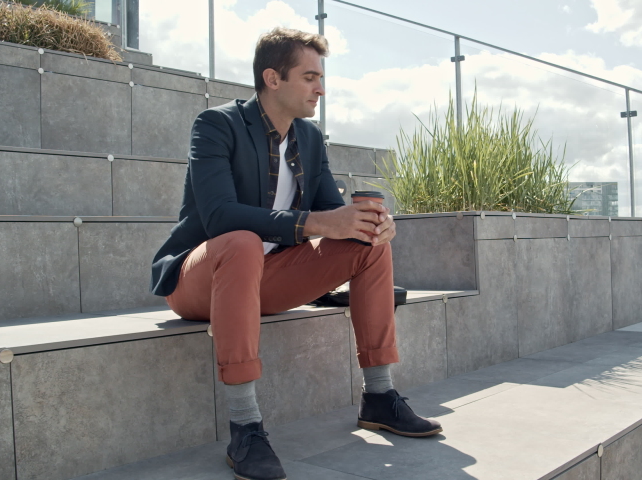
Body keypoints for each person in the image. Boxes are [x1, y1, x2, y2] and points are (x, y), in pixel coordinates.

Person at [150, 27, 441, 480]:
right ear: (272, 78)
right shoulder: (216, 125)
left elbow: (331, 212)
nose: (320, 88)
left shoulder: (310, 138)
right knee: (244, 241)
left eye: (320, 77)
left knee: (368, 245)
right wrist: (316, 224)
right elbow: (221, 217)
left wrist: (374, 225)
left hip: (265, 278)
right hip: (199, 281)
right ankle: (245, 426)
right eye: (309, 77)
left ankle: (380, 396)